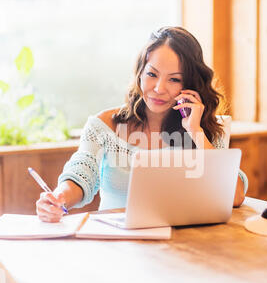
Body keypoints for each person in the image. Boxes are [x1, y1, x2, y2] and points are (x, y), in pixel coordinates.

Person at [36, 26, 248, 223]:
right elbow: (82, 172)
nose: (158, 88)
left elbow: (235, 196)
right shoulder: (104, 125)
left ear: (190, 85)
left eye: (174, 79)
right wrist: (60, 197)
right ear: (139, 73)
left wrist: (195, 132)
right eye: (152, 74)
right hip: (118, 246)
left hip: (184, 247)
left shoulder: (202, 129)